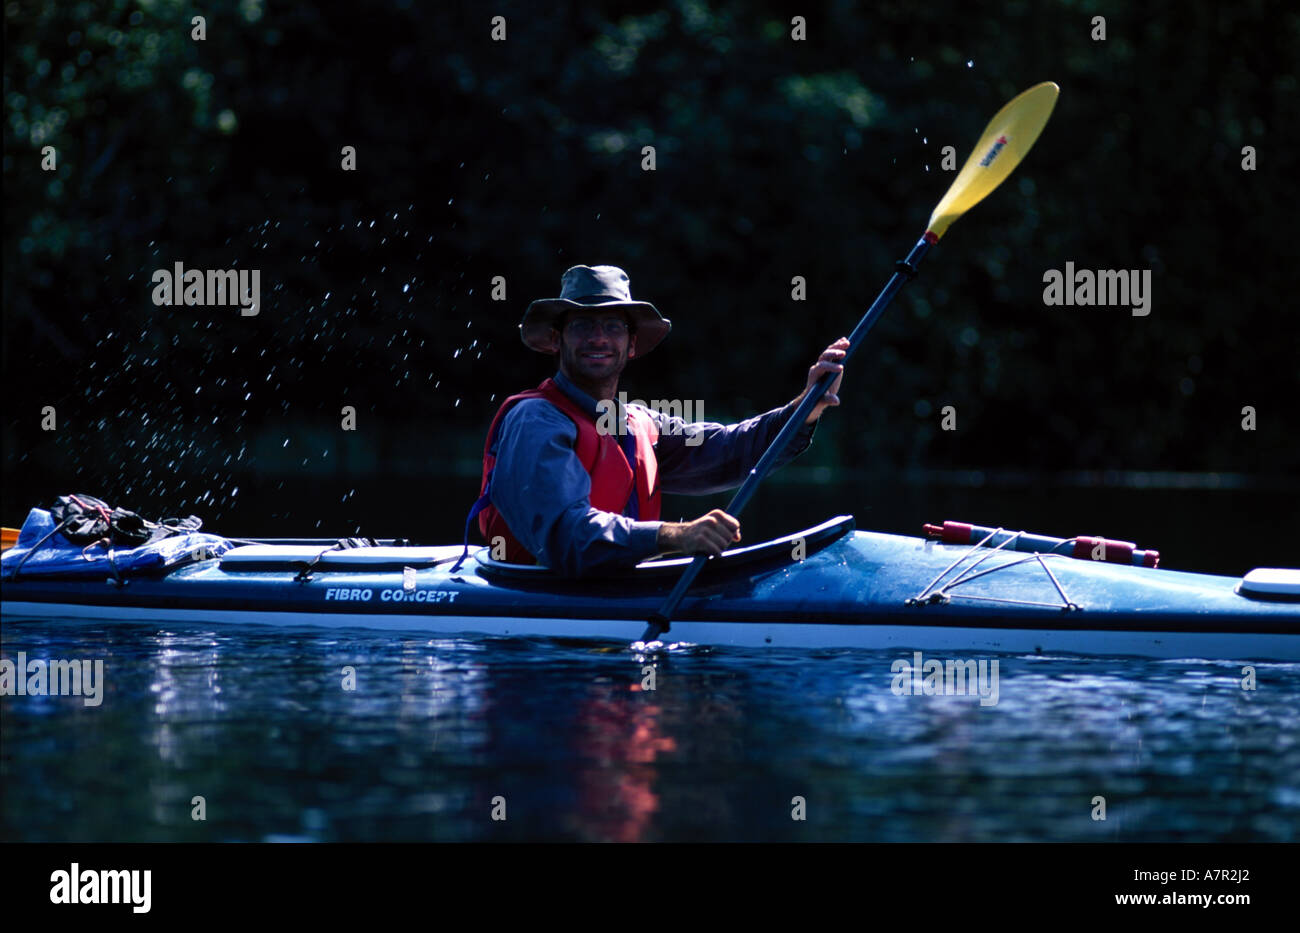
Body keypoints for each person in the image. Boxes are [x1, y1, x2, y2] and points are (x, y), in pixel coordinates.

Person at [467, 264, 847, 576]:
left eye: (613, 326)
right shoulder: (535, 420)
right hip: (532, 615)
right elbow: (565, 537)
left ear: (631, 345)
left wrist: (806, 405)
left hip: (615, 603)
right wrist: (675, 536)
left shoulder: (637, 423)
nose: (598, 338)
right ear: (556, 340)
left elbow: (732, 449)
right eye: (583, 325)